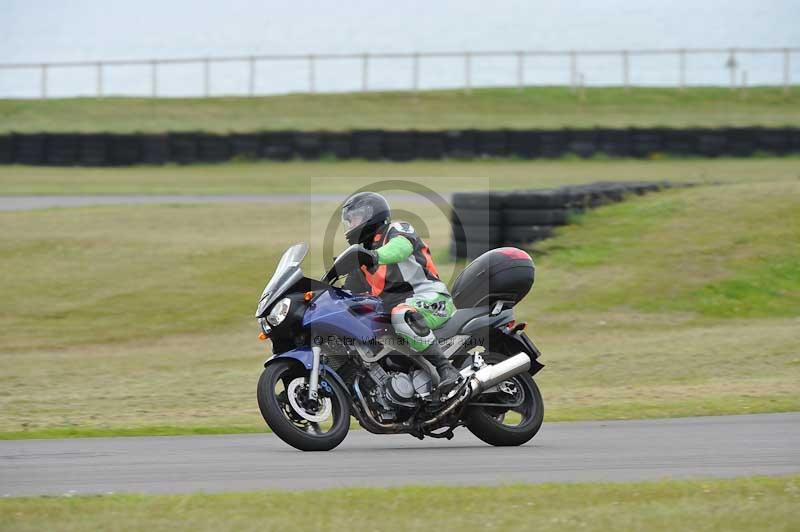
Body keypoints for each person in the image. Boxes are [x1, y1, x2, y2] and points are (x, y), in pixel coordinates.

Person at [338, 191, 462, 396]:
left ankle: (445, 368)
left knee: (401, 314)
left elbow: (401, 248)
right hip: (395, 311)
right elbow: (347, 293)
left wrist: (375, 256)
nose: (351, 226)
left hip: (431, 299)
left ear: (371, 215)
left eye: (355, 219)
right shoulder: (362, 260)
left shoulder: (397, 229)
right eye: (348, 222)